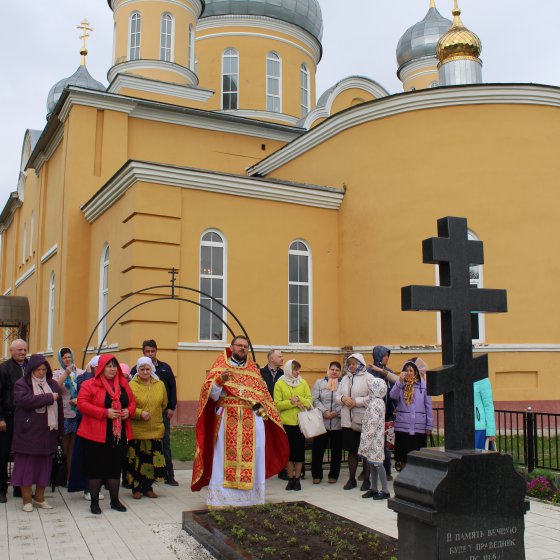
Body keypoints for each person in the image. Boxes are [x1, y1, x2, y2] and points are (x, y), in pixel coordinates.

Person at [191, 336, 289, 507]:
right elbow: (211, 395)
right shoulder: (220, 366)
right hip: (228, 416)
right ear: (232, 347)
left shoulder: (253, 370)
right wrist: (220, 381)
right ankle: (222, 499)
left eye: (245, 346)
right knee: (223, 457)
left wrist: (264, 414)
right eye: (239, 345)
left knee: (256, 453)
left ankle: (251, 499)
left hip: (252, 418)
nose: (242, 348)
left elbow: (262, 397)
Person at [77, 354, 136, 514]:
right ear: (101, 368)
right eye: (109, 366)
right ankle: (94, 503)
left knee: (115, 467)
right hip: (95, 434)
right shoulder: (90, 384)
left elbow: (132, 402)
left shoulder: (123, 384)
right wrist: (104, 412)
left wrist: (128, 412)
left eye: (114, 366)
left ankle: (115, 501)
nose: (112, 369)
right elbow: (82, 404)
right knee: (95, 468)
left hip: (118, 434)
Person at [12, 354, 64, 511]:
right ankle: (27, 501)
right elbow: (25, 401)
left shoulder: (53, 384)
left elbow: (59, 410)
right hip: (27, 433)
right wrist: (49, 398)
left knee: (44, 468)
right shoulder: (22, 384)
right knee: (25, 468)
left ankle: (39, 499)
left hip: (47, 433)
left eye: (43, 369)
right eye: (38, 370)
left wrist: (60, 430)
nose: (41, 372)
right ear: (31, 370)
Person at [130, 339, 178, 486]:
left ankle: (168, 475)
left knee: (164, 444)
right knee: (139, 449)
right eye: (147, 351)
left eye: (152, 351)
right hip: (140, 417)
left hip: (160, 414)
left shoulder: (165, 368)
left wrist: (171, 407)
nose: (150, 354)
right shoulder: (135, 369)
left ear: (156, 351)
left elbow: (171, 388)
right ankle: (135, 478)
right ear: (143, 352)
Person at [125, 357, 168, 499]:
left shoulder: (160, 384)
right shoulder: (131, 385)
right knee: (138, 460)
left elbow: (164, 403)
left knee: (151, 460)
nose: (145, 371)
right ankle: (136, 488)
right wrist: (139, 413)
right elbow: (127, 406)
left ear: (152, 369)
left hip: (155, 429)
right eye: (142, 369)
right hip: (138, 430)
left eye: (147, 369)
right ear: (137, 370)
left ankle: (148, 487)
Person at [336, 353, 375, 490]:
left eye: (354, 363)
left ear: (360, 364)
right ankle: (351, 479)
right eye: (350, 364)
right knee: (351, 451)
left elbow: (373, 397)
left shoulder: (369, 378)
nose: (352, 366)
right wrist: (342, 399)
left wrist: (356, 402)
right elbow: (337, 395)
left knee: (365, 452)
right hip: (347, 420)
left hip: (363, 420)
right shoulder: (345, 379)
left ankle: (366, 480)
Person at [274, 360, 312, 491]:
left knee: (299, 453)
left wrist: (299, 399)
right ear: (289, 370)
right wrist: (291, 402)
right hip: (287, 424)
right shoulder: (280, 383)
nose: (298, 372)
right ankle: (290, 479)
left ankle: (297, 479)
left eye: (298, 370)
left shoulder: (303, 382)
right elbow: (277, 404)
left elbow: (309, 400)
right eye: (295, 370)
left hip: (300, 423)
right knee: (289, 453)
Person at [390, 360, 433, 471]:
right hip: (403, 428)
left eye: (411, 370)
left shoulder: (423, 387)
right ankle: (404, 479)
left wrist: (429, 426)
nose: (409, 373)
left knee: (417, 457)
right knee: (403, 457)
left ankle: (416, 480)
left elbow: (428, 406)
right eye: (406, 370)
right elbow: (392, 395)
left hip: (419, 428)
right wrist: (400, 381)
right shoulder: (401, 385)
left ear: (416, 372)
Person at [0, 339, 28, 502]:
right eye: (19, 350)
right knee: (3, 454)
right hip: (8, 417)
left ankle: (20, 488)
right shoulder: (4, 368)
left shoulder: (31, 366)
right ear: (11, 351)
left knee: (23, 454)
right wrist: (1, 418)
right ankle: (2, 490)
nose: (23, 353)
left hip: (25, 417)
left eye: (25, 350)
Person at [53, 347, 85, 485]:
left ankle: (72, 476)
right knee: (65, 445)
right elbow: (56, 387)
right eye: (64, 357)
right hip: (65, 413)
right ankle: (64, 474)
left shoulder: (80, 372)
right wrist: (66, 373)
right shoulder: (57, 373)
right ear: (61, 359)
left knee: (75, 445)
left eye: (69, 356)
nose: (67, 359)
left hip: (79, 411)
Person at [358, 377, 391, 500]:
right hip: (374, 440)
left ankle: (385, 490)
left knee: (378, 464)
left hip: (373, 440)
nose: (369, 389)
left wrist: (364, 444)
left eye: (370, 387)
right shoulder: (377, 401)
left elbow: (371, 425)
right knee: (372, 463)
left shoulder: (375, 404)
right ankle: (374, 488)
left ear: (375, 389)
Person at [368, 346, 397, 481]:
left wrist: (395, 406)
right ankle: (368, 472)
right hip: (373, 414)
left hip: (388, 414)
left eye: (388, 356)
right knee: (372, 442)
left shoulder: (389, 372)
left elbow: (396, 388)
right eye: (385, 355)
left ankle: (387, 471)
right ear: (378, 356)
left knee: (387, 444)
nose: (387, 358)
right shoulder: (369, 373)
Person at [311, 361, 343, 484]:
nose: (334, 372)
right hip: (322, 422)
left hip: (337, 422)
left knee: (336, 451)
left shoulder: (343, 384)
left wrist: (335, 412)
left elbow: (344, 401)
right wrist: (324, 412)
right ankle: (317, 475)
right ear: (328, 370)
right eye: (332, 369)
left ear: (339, 372)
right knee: (318, 450)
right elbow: (315, 399)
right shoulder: (320, 383)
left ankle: (333, 475)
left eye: (337, 370)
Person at [260, 349, 288, 479]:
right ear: (271, 359)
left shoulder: (284, 374)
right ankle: (263, 469)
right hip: (264, 413)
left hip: (281, 413)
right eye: (279, 356)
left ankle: (282, 469)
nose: (282, 358)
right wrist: (260, 412)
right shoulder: (260, 373)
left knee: (280, 440)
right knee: (264, 441)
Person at [474, 378, 496, 450]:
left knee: (479, 459)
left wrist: (491, 432)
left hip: (479, 429)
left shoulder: (483, 380)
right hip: (463, 428)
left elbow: (488, 406)